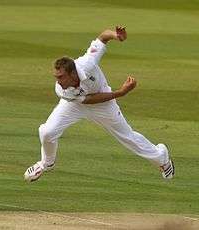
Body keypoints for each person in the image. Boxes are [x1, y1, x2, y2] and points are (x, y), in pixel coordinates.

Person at [24, 26, 174, 182]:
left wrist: (116, 35)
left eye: (61, 77)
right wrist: (121, 92)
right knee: (47, 132)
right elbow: (88, 100)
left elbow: (102, 37)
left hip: (104, 106)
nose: (58, 81)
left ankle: (162, 157)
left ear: (73, 73)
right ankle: (46, 163)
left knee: (126, 136)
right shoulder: (61, 89)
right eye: (56, 77)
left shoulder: (87, 63)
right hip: (75, 104)